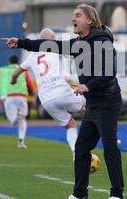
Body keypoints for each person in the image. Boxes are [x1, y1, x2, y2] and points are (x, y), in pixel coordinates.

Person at [2, 3, 126, 199]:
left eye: (77, 15)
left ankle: (118, 197)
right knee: (81, 148)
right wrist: (21, 42)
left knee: (110, 146)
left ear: (89, 20)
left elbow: (109, 73)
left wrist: (88, 85)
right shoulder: (79, 42)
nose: (72, 19)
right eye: (73, 15)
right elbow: (51, 46)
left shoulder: (102, 42)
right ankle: (80, 196)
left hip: (107, 100)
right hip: (94, 102)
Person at [11, 28, 84, 156]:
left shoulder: (31, 57)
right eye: (53, 37)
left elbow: (16, 72)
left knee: (71, 125)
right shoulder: (56, 50)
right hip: (61, 90)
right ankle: (106, 136)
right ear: (49, 39)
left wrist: (13, 80)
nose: (55, 40)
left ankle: (75, 151)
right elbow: (74, 54)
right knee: (87, 108)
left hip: (46, 99)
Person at [0, 55, 34, 148]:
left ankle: (16, 118)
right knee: (23, 119)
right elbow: (29, 84)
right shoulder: (23, 70)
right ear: (19, 61)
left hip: (9, 97)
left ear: (8, 61)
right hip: (21, 96)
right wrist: (31, 92)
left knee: (12, 122)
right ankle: (21, 141)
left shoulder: (3, 70)